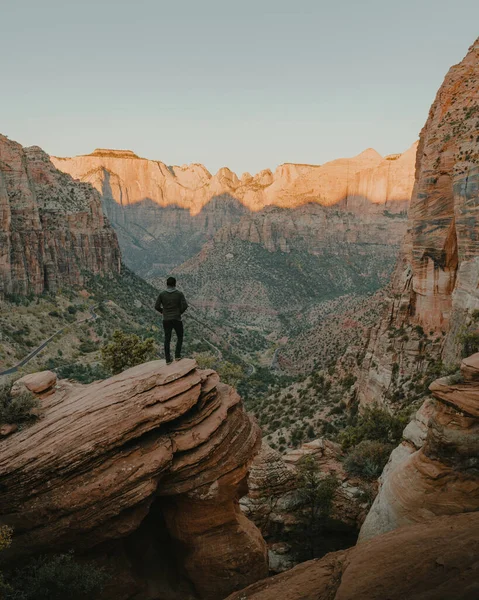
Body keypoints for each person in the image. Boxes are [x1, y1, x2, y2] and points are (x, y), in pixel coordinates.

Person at [155, 277, 188, 364]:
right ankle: (177, 355)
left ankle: (168, 360)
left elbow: (156, 306)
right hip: (177, 319)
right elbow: (185, 306)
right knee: (180, 337)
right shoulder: (179, 294)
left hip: (166, 319)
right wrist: (179, 312)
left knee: (167, 339)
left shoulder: (162, 294)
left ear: (167, 284)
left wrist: (163, 312)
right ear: (175, 284)